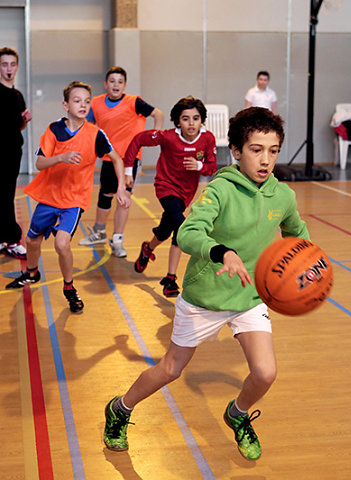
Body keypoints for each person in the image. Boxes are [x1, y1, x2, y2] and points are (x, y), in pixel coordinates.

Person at [102, 107, 310, 460]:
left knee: (265, 372)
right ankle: (120, 408)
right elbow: (188, 232)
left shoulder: (282, 196)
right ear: (237, 152)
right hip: (205, 298)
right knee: (171, 369)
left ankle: (238, 413)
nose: (266, 159)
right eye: (257, 150)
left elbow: (296, 234)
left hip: (248, 296)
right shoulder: (219, 191)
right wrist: (221, 252)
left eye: (273, 150)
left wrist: (306, 260)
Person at [5, 81, 129, 313]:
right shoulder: (54, 130)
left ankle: (69, 287)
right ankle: (32, 273)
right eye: (76, 100)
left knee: (62, 244)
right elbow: (40, 162)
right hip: (49, 197)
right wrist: (61, 157)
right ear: (65, 105)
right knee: (32, 241)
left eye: (86, 101)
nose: (83, 105)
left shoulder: (95, 134)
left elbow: (117, 159)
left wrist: (121, 187)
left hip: (74, 200)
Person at [125, 96, 217, 297]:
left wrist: (200, 166)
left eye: (196, 118)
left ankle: (148, 249)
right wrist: (126, 171)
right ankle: (170, 279)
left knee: (166, 229)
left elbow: (212, 166)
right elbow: (137, 140)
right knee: (181, 226)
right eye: (185, 119)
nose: (191, 123)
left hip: (186, 193)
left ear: (202, 120)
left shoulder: (208, 139)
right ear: (177, 121)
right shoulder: (166, 137)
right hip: (165, 187)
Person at [78, 66, 164, 258]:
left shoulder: (134, 102)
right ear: (105, 84)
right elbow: (88, 125)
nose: (116, 85)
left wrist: (155, 134)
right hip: (109, 157)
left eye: (120, 81)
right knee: (106, 194)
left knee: (124, 198)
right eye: (112, 81)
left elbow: (158, 114)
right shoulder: (96, 103)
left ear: (124, 85)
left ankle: (117, 239)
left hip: (129, 160)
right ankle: (99, 232)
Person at [0, 47, 32, 260]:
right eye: (4, 64)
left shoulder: (18, 95)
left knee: (6, 195)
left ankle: (8, 241)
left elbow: (16, 127)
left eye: (12, 64)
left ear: (17, 67)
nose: (9, 68)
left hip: (13, 152)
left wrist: (24, 121)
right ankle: (11, 240)